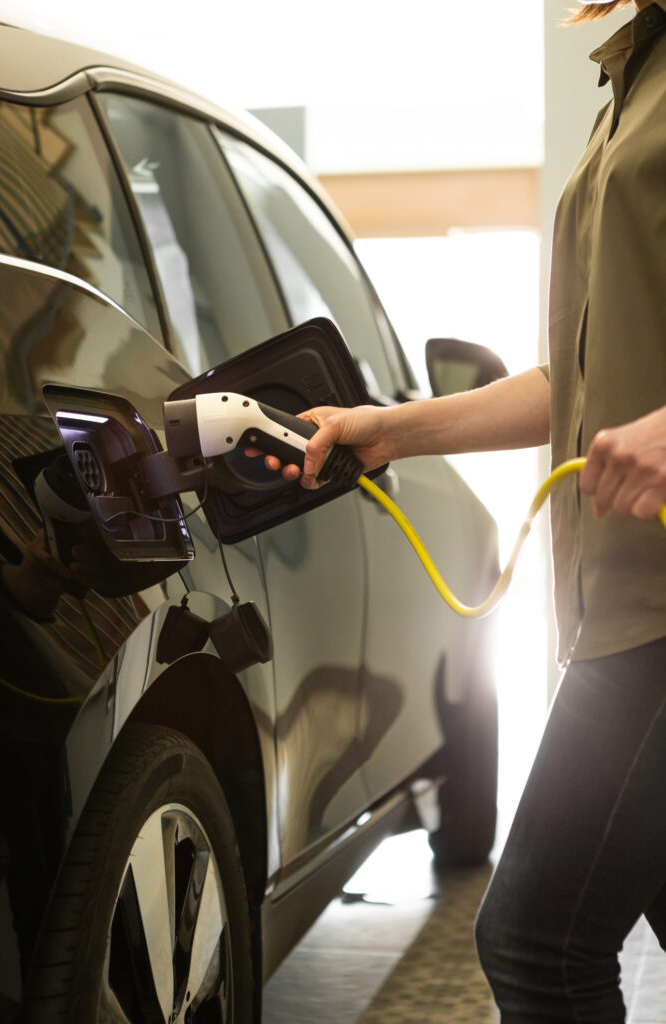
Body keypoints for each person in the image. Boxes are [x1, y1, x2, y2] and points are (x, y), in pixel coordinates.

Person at [258, 0, 666, 1018]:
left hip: (656, 617)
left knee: (532, 937)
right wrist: (384, 427)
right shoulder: (631, 77)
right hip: (612, 601)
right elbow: (569, 376)